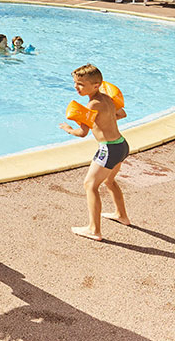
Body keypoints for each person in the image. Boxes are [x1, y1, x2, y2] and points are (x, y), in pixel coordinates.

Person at [60, 64, 130, 241]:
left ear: (96, 85)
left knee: (90, 185)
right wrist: (104, 120)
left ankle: (94, 230)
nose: (76, 87)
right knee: (109, 181)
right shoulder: (106, 98)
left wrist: (68, 129)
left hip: (109, 149)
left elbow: (82, 133)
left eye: (81, 84)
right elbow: (122, 114)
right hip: (121, 145)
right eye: (75, 83)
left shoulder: (92, 105)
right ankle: (121, 215)